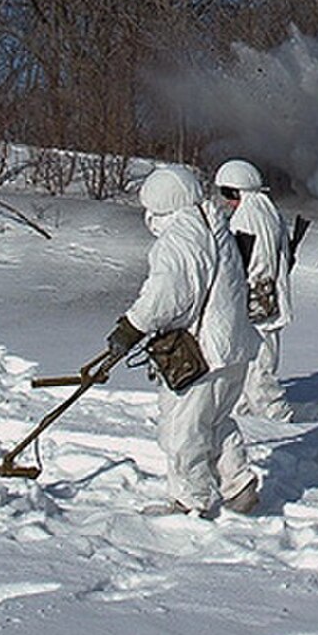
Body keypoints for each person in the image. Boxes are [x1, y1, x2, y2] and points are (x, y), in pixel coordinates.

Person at [105, 165, 263, 516]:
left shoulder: (180, 238)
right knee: (216, 420)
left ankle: (192, 501)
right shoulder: (214, 224)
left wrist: (132, 325)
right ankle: (238, 485)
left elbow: (168, 294)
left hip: (201, 354)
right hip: (233, 349)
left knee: (182, 430)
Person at [215, 158, 294, 422]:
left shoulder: (249, 217)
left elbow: (250, 263)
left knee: (259, 374)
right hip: (261, 304)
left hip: (256, 306)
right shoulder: (267, 212)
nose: (227, 200)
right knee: (249, 372)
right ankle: (247, 420)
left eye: (229, 193)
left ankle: (278, 422)